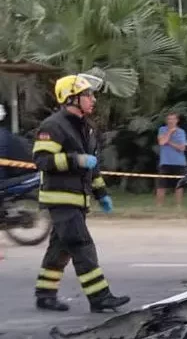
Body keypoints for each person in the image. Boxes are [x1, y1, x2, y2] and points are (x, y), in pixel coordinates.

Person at [31, 73, 130, 313]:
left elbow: (92, 167)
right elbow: (42, 160)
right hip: (60, 199)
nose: (92, 99)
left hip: (78, 199)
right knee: (81, 244)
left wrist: (101, 193)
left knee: (60, 247)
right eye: (87, 95)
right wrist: (76, 159)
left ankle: (45, 294)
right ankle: (100, 297)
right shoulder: (53, 126)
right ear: (70, 98)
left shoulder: (87, 128)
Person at [156, 112, 187, 208]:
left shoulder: (181, 132)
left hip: (179, 162)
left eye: (173, 119)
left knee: (179, 186)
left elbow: (182, 148)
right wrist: (170, 132)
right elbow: (162, 142)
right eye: (169, 119)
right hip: (165, 162)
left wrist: (169, 142)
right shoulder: (162, 130)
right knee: (161, 185)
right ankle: (159, 205)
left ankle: (178, 205)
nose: (171, 121)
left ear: (176, 120)